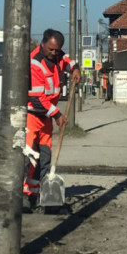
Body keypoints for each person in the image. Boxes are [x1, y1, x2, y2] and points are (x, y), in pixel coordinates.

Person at [23, 29, 81, 211]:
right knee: (31, 159)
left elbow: (67, 59)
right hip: (33, 116)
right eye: (51, 49)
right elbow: (36, 98)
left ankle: (44, 195)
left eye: (57, 50)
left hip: (45, 118)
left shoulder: (56, 56)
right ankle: (26, 196)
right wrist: (57, 114)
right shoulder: (34, 64)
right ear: (42, 44)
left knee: (45, 158)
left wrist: (75, 69)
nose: (54, 53)